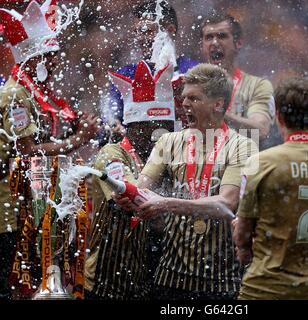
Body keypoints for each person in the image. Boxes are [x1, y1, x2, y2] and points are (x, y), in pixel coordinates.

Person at [114, 63, 258, 300]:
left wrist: (167, 204)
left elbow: (226, 204)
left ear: (218, 104)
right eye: (183, 98)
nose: (184, 105)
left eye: (194, 98)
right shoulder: (168, 142)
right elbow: (142, 189)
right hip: (170, 277)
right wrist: (126, 194)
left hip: (221, 282)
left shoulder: (243, 146)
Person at [0, 0, 98, 299]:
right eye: (49, 57)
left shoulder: (40, 92)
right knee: (11, 282)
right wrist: (78, 139)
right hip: (9, 210)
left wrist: (75, 126)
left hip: (33, 202)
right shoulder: (16, 94)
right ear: (33, 58)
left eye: (55, 56)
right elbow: (28, 151)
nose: (55, 64)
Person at [234, 78, 308, 300]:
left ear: (279, 118)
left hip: (266, 287)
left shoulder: (261, 162)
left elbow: (242, 237)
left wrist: (241, 238)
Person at [84, 61, 175, 300]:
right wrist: (179, 208)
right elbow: (133, 198)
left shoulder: (167, 155)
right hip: (108, 283)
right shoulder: (113, 153)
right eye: (156, 127)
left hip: (146, 283)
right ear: (135, 127)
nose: (163, 135)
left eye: (167, 127)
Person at [100, 0, 197, 145]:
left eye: (146, 31)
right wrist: (113, 125)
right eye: (136, 32)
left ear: (170, 31)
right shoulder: (127, 75)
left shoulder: (193, 71)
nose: (139, 38)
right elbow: (109, 116)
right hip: (139, 156)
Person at [199, 12, 275, 148]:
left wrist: (218, 114)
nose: (215, 42)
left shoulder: (257, 86)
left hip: (242, 164)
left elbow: (261, 130)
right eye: (209, 37)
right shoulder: (189, 86)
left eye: (222, 36)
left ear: (238, 43)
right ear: (202, 45)